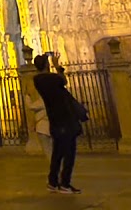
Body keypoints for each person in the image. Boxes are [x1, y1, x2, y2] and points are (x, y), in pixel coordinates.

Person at [31, 53, 88, 195]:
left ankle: (52, 182)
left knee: (57, 153)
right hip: (64, 119)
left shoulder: (37, 79)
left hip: (55, 120)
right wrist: (57, 66)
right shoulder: (48, 78)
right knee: (69, 152)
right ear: (46, 65)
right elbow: (63, 81)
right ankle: (65, 183)